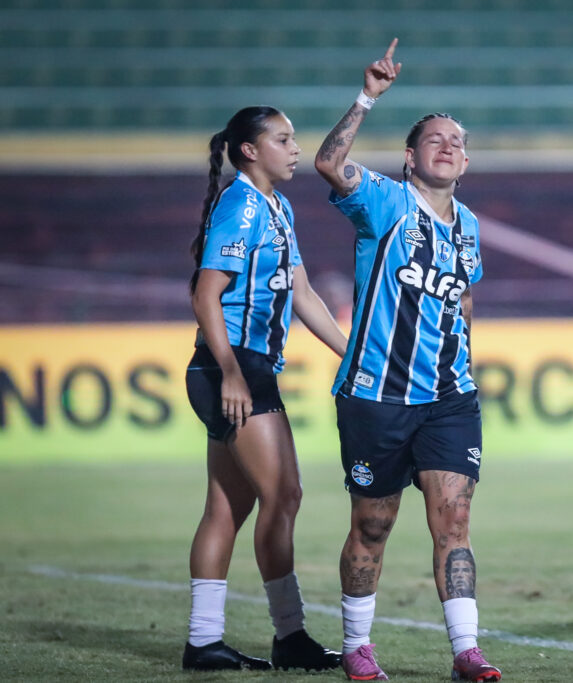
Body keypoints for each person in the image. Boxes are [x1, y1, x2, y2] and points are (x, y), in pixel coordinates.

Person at [314, 39, 501, 682]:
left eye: (456, 141)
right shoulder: (386, 203)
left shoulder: (469, 227)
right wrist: (368, 96)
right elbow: (329, 163)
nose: (447, 146)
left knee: (454, 519)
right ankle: (358, 645)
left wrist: (463, 356)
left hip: (449, 397)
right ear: (410, 158)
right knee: (374, 521)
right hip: (376, 394)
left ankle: (466, 651)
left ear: (467, 161)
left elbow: (466, 295)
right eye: (434, 140)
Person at [182, 105, 347, 671]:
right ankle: (289, 635)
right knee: (285, 495)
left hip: (239, 368)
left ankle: (204, 642)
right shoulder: (241, 204)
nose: (296, 148)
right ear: (250, 150)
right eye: (283, 139)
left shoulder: (275, 207)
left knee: (228, 506)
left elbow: (302, 294)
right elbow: (206, 295)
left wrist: (350, 353)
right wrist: (231, 372)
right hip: (235, 370)